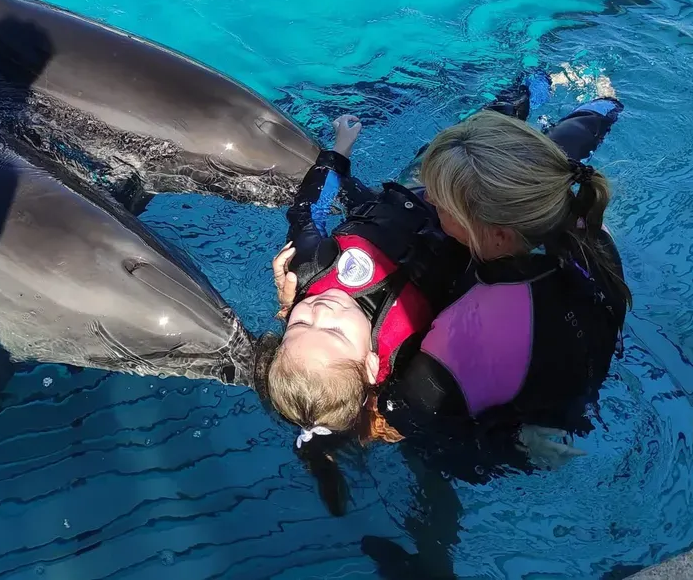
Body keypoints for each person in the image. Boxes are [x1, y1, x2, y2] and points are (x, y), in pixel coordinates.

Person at [254, 72, 630, 514]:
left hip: (550, 357)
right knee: (502, 138)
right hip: (566, 343)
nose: (318, 310)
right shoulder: (572, 212)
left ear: (492, 236)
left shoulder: (453, 330)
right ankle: (569, 89)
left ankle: (542, 85)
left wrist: (292, 307)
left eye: (443, 201)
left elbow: (427, 424)